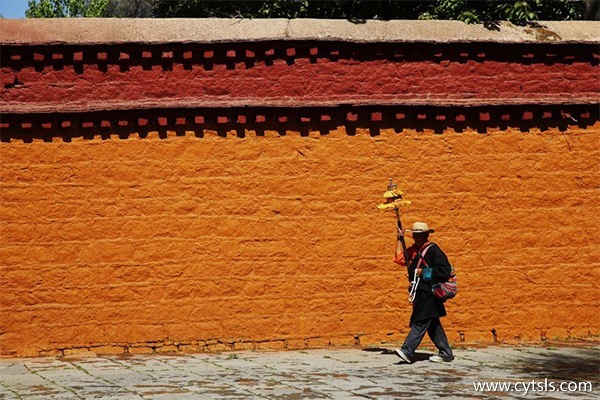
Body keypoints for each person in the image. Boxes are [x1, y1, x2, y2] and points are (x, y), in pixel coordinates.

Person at [393, 222, 454, 363]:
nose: (417, 237)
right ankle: (446, 353)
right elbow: (399, 258)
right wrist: (399, 239)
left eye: (420, 235)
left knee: (420, 320)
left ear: (426, 235)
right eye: (415, 235)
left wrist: (423, 272)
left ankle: (407, 350)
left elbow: (444, 271)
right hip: (420, 292)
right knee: (432, 324)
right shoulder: (414, 250)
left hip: (430, 292)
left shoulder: (433, 250)